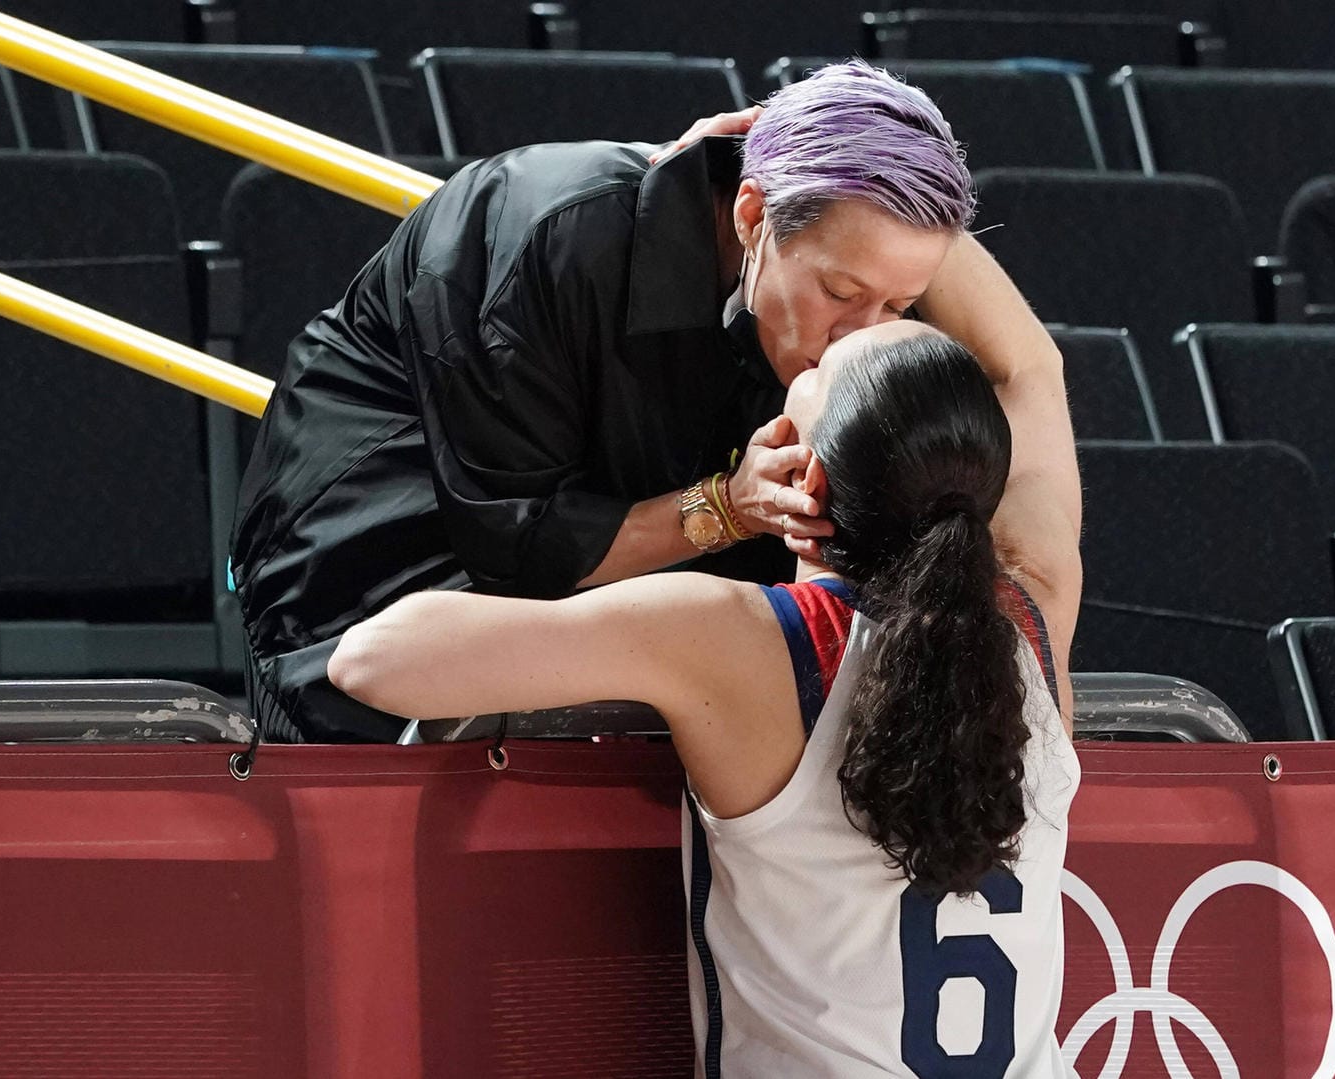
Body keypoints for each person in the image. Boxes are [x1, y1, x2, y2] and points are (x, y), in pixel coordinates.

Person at [327, 312, 1083, 1076]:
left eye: (819, 369)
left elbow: (372, 659)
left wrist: (720, 509)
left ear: (804, 478)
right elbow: (1034, 370)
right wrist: (921, 219)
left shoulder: (744, 643)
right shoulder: (1037, 617)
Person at [229, 61, 1060, 743]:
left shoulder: (816, 264)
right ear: (751, 210)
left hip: (612, 609)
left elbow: (1024, 365)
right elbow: (514, 548)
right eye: (844, 290)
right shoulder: (552, 228)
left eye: (899, 306)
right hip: (376, 574)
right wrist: (723, 511)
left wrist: (847, 139)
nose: (861, 337)